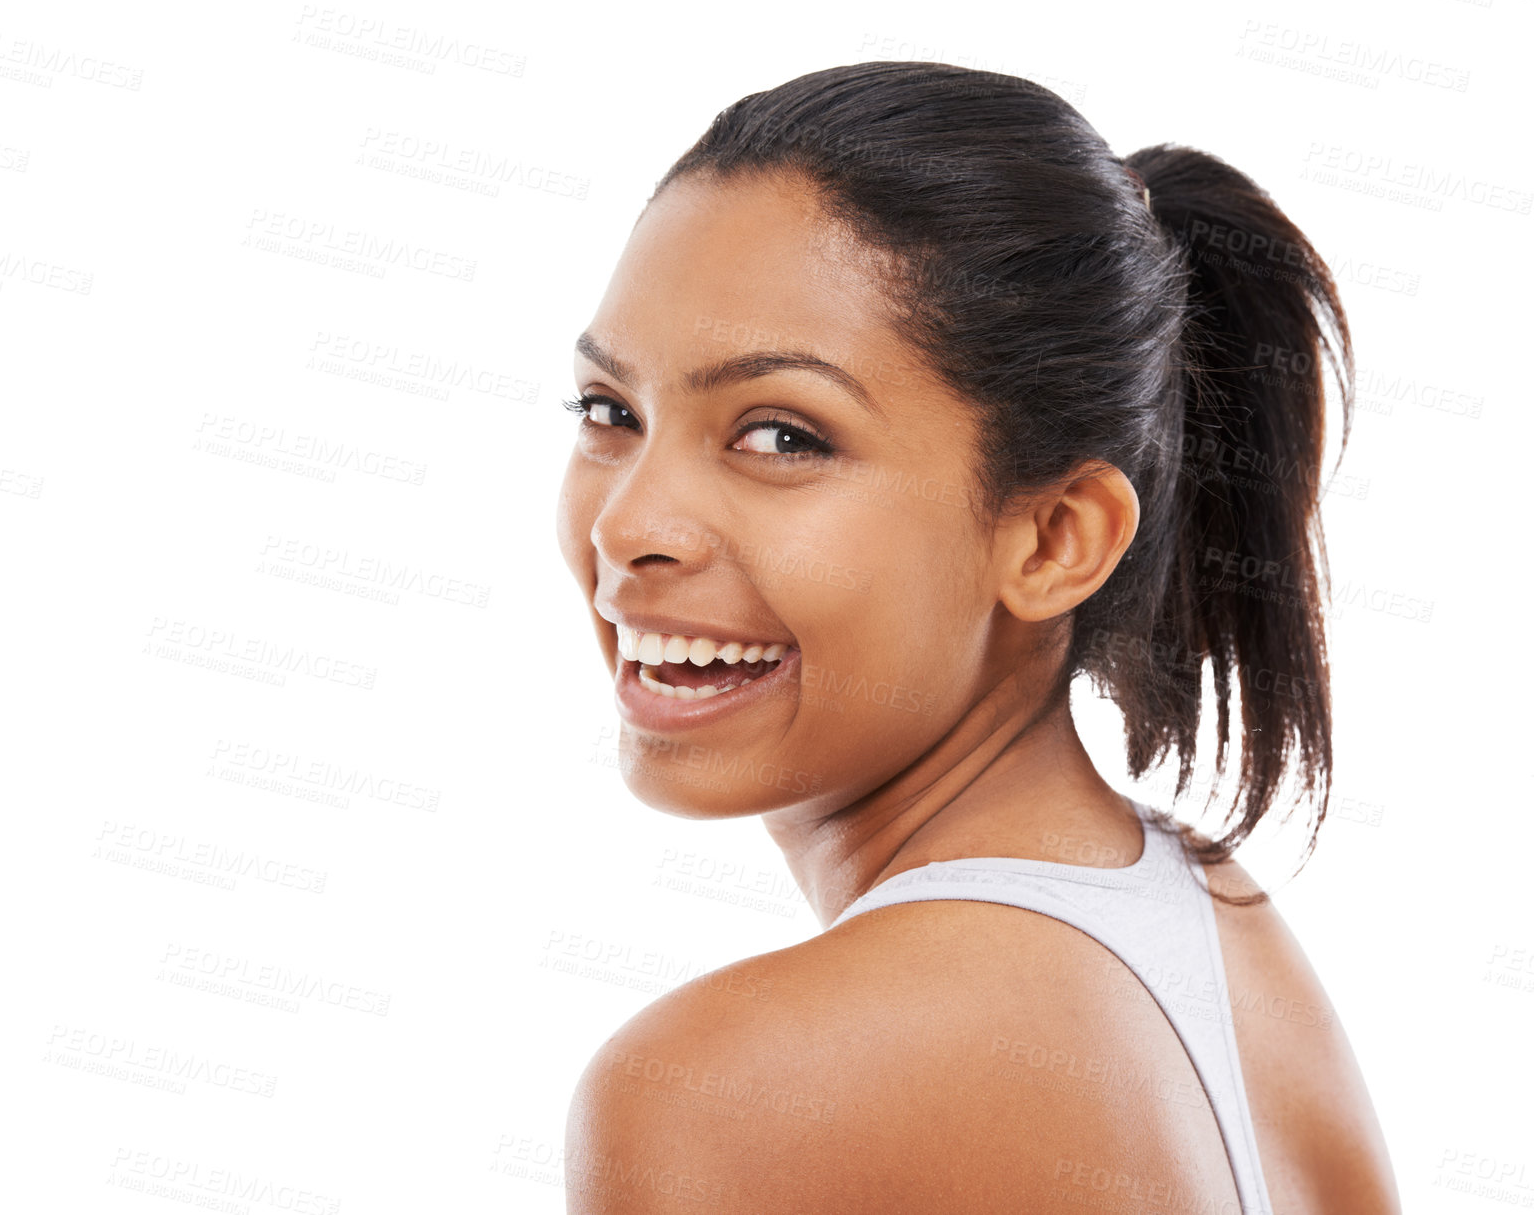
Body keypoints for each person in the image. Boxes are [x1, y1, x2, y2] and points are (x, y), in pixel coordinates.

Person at [553, 61, 1398, 1213]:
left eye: (782, 435)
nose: (627, 522)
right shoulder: (1205, 924)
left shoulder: (725, 1088)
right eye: (612, 413)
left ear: (1055, 537)